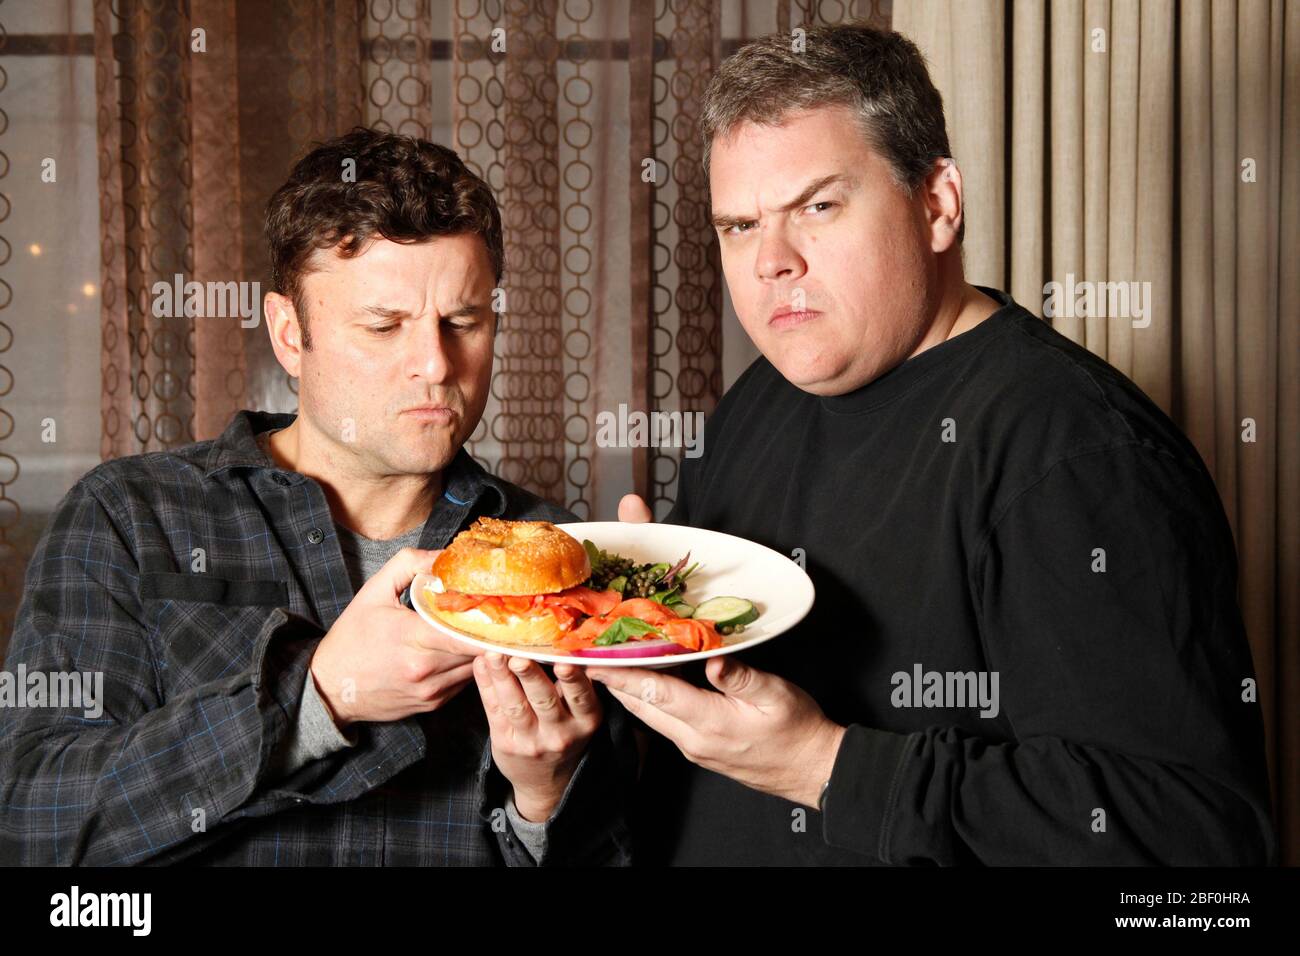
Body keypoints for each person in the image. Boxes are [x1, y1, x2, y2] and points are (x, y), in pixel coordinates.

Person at [587, 23, 1277, 865]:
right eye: (738, 225)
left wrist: (827, 766)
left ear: (938, 203)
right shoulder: (754, 406)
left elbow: (1199, 850)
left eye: (818, 206)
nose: (771, 261)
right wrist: (619, 637)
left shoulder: (1079, 451)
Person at [0, 128, 634, 866]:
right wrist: (315, 699)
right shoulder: (131, 516)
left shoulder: (556, 552)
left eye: (463, 322)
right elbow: (31, 824)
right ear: (289, 334)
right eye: (383, 325)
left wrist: (543, 802)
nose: (435, 364)